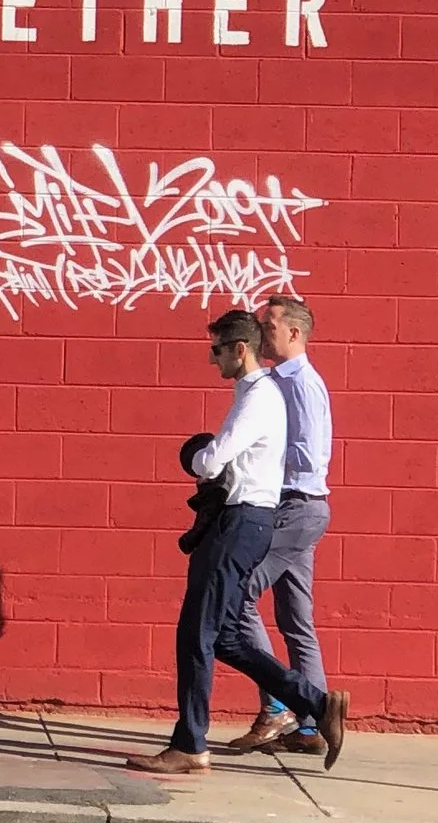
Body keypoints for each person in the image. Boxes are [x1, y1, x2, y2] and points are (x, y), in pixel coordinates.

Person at [126, 307, 349, 777]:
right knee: (224, 636)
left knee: (196, 634)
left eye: (218, 350)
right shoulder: (258, 393)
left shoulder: (258, 397)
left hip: (241, 523)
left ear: (238, 350)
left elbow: (212, 461)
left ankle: (190, 745)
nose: (213, 360)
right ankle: (314, 703)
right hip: (247, 521)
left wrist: (197, 453)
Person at [224, 292, 338, 763]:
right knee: (297, 621)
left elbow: (308, 457)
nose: (260, 333)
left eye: (268, 326)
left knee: (239, 595)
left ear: (293, 332)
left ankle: (277, 703)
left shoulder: (302, 385)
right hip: (299, 508)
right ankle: (313, 722)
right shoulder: (273, 380)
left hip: (294, 505)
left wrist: (263, 463)